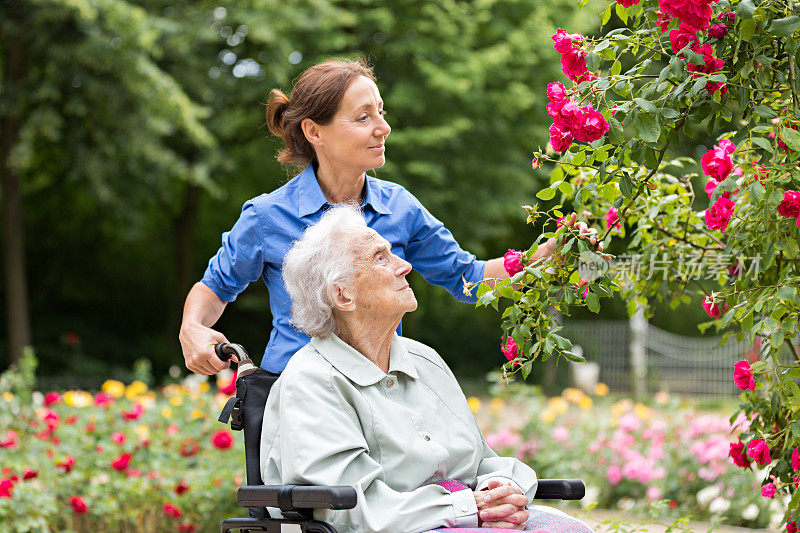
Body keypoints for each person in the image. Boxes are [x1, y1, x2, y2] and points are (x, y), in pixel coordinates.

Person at [179, 58, 598, 375]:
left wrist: (546, 255)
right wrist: (192, 329)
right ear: (314, 131)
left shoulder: (400, 207)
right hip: (296, 396)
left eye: (381, 112)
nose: (383, 128)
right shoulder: (268, 216)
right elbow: (214, 289)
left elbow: (467, 278)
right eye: (363, 117)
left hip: (382, 395)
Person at [260, 205, 593, 533]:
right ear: (343, 295)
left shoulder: (424, 360)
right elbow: (351, 509)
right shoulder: (312, 380)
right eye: (380, 257)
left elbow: (481, 461)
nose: (404, 266)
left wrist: (499, 489)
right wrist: (466, 508)